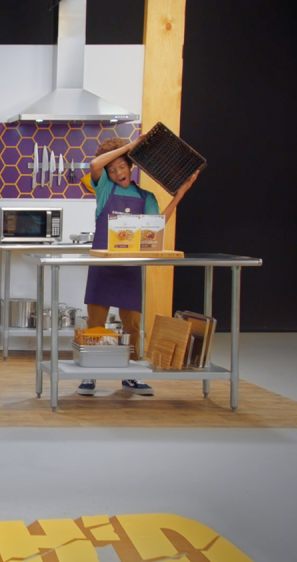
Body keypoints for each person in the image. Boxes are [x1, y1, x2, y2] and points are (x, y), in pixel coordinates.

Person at [78, 135, 198, 397]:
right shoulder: (105, 188)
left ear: (131, 166)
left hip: (130, 269)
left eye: (122, 166)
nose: (117, 173)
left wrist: (179, 195)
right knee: (96, 322)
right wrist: (130, 147)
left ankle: (131, 374)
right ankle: (90, 373)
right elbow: (95, 164)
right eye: (112, 169)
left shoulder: (146, 197)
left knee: (132, 325)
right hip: (103, 266)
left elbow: (156, 227)